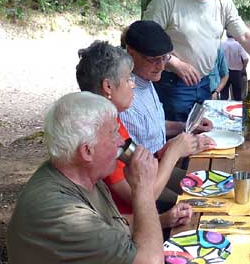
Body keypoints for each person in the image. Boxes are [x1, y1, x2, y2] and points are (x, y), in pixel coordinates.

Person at [4, 92, 193, 264]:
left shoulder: (81, 175)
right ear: (87, 150)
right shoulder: (58, 212)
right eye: (113, 134)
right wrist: (143, 188)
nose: (121, 141)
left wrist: (163, 219)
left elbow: (111, 224)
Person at [76, 40, 211, 228]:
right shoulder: (99, 136)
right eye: (127, 80)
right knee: (198, 207)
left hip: (131, 218)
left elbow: (136, 159)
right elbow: (141, 197)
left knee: (206, 189)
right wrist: (174, 153)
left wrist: (162, 152)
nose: (133, 86)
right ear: (108, 87)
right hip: (125, 229)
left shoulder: (112, 120)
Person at [120, 20, 214, 155]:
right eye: (153, 59)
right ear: (131, 53)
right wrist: (173, 150)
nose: (161, 66)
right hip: (152, 171)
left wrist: (187, 126)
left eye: (164, 58)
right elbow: (135, 166)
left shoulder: (145, 79)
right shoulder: (125, 98)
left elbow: (154, 127)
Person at [221, 33, 249, 100]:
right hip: (236, 72)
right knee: (237, 94)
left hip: (224, 71)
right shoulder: (239, 45)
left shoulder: (221, 44)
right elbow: (245, 59)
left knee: (224, 94)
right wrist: (243, 68)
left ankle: (222, 108)